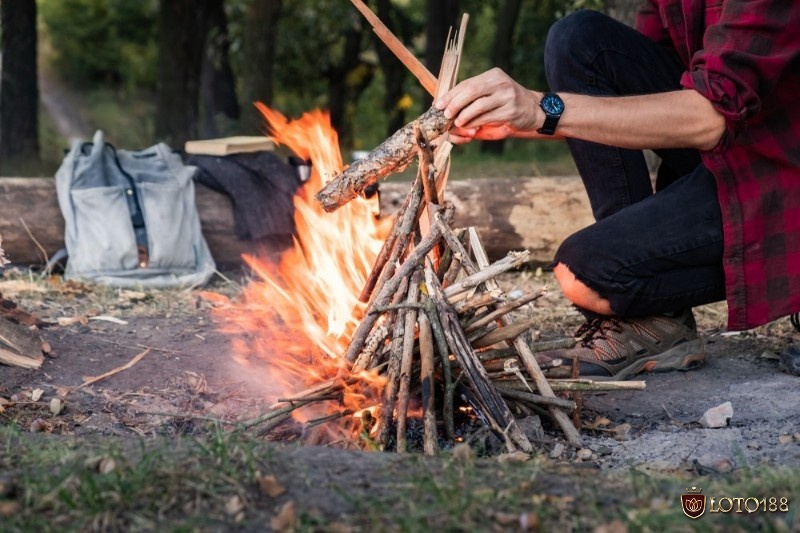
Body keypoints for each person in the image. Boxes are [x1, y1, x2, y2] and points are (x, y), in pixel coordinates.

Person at [435, 1, 800, 379]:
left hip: (781, 172)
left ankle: (643, 310)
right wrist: (517, 121)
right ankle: (655, 320)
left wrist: (541, 109)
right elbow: (631, 100)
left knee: (587, 274)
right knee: (579, 39)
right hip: (735, 150)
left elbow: (710, 119)